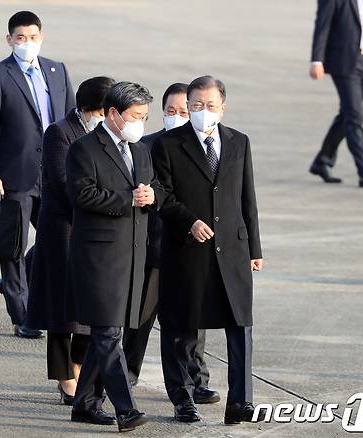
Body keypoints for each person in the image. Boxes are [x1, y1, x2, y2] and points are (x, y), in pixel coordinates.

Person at [152, 76, 262, 424]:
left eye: (210, 105)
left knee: (240, 325)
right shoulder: (169, 145)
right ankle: (183, 398)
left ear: (222, 106)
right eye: (196, 105)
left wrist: (254, 248)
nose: (202, 111)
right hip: (188, 249)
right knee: (182, 327)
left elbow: (248, 199)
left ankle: (240, 401)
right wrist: (189, 221)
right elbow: (162, 195)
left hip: (232, 250)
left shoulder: (238, 142)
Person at [66, 81, 162, 433]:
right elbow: (82, 195)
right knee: (108, 333)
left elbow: (150, 189)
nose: (141, 123)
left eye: (145, 116)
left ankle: (86, 403)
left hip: (132, 256)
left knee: (108, 334)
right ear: (112, 114)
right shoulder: (84, 149)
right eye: (136, 116)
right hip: (99, 258)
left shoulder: (140, 151)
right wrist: (128, 199)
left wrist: (152, 196)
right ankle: (126, 409)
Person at [0, 11, 75, 338]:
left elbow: (73, 119)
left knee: (58, 237)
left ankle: (15, 284)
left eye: (32, 37)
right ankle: (23, 316)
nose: (26, 43)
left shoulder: (57, 71)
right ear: (9, 40)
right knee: (14, 246)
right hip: (15, 175)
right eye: (20, 38)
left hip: (56, 172)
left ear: (41, 37)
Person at [122, 82, 219, 406]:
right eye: (170, 111)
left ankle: (197, 380)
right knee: (139, 320)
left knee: (192, 322)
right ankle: (125, 376)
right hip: (151, 249)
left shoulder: (204, 150)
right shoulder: (143, 146)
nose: (177, 117)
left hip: (187, 251)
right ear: (161, 113)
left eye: (183, 110)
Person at [26, 76, 115, 405]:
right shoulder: (60, 132)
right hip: (62, 230)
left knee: (89, 307)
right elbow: (66, 182)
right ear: (93, 109)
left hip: (94, 231)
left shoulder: (107, 134)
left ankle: (79, 368)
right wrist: (110, 197)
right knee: (63, 308)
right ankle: (66, 377)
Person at [308, 0, 363, 188]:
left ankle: (322, 161)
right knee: (354, 116)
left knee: (347, 113)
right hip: (343, 62)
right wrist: (316, 60)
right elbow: (323, 23)